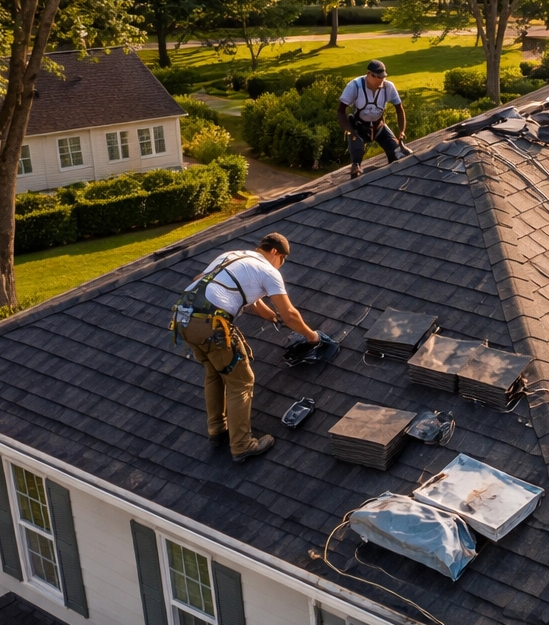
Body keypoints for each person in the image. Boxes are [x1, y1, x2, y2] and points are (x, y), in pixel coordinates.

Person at [174, 233, 319, 462]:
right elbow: (289, 314)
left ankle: (217, 429)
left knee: (215, 371)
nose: (281, 265)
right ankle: (241, 445)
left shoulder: (233, 256)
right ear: (275, 253)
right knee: (241, 381)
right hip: (212, 326)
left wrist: (266, 313)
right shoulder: (269, 271)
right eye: (283, 260)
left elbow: (200, 279)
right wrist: (312, 336)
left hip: (184, 319)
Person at [337, 59, 409, 178]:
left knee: (397, 154)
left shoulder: (388, 87)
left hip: (378, 126)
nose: (381, 81)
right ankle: (355, 171)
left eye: (383, 77)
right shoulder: (355, 86)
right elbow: (340, 111)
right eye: (378, 77)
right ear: (369, 74)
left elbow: (399, 108)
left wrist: (401, 131)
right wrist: (350, 131)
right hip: (358, 127)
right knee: (357, 154)